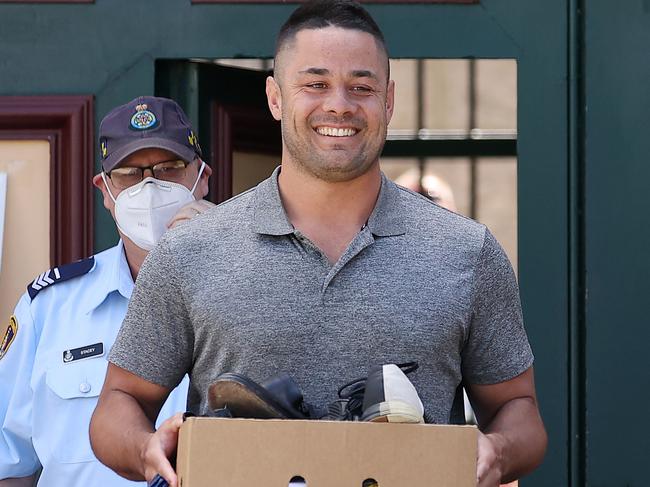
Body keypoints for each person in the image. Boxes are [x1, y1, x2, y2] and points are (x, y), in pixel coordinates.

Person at [89, 3, 547, 487]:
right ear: (275, 97)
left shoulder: (466, 252)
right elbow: (119, 404)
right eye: (315, 84)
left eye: (362, 87)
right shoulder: (190, 252)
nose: (340, 105)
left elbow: (519, 410)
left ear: (388, 101)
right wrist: (145, 449)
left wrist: (495, 451)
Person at [0, 96, 213, 486]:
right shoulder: (50, 308)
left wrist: (219, 257)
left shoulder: (251, 290)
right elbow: (8, 465)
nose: (149, 186)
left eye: (169, 169)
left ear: (202, 178)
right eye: (129, 173)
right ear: (105, 190)